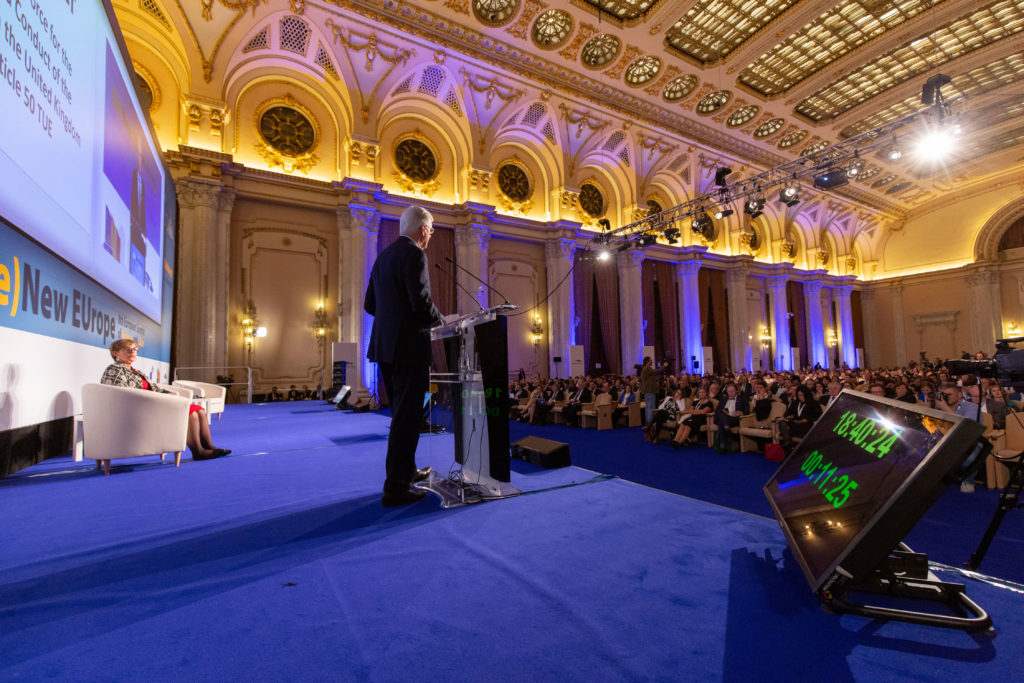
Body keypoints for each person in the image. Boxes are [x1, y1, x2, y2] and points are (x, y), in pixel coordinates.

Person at [364, 205, 443, 507]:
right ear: (423, 230)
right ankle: (396, 487)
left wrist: (392, 317)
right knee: (408, 418)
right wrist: (441, 320)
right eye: (431, 231)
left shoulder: (383, 256)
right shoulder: (414, 254)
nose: (430, 237)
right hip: (408, 349)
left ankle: (406, 472)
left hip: (385, 347)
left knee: (402, 415)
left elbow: (370, 304)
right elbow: (421, 303)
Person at [101, 339, 230, 461]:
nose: (133, 351)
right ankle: (198, 451)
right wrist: (154, 398)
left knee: (199, 411)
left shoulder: (135, 371)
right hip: (139, 407)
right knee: (192, 414)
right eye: (127, 349)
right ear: (115, 353)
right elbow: (119, 394)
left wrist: (167, 393)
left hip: (152, 401)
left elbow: (153, 387)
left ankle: (210, 447)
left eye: (135, 349)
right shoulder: (114, 370)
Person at [639, 357, 658, 426]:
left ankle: (648, 423)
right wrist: (663, 367)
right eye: (650, 360)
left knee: (648, 407)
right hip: (650, 391)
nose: (652, 361)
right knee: (651, 407)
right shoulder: (647, 368)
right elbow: (655, 371)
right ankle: (650, 424)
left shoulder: (644, 369)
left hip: (647, 391)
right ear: (647, 361)